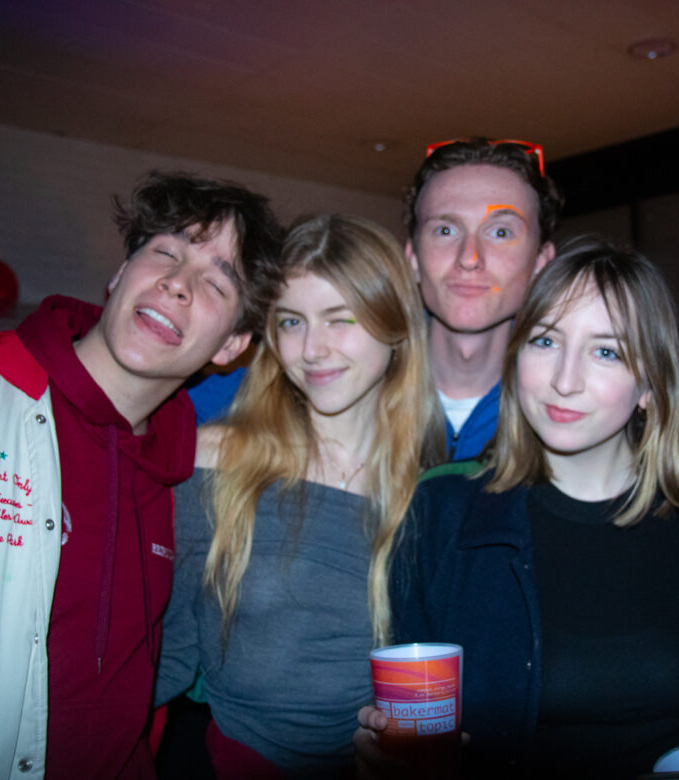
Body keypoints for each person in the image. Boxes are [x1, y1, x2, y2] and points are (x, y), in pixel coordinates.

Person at [0, 170, 282, 778]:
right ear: (119, 275)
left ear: (230, 347)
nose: (178, 283)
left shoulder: (189, 483)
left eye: (217, 282)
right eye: (166, 252)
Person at [356, 237, 679, 778]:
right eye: (545, 341)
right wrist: (391, 755)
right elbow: (413, 721)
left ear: (650, 385)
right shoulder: (440, 517)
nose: (565, 381)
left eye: (606, 351)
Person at [154, 214, 445, 777]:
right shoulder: (219, 459)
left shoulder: (431, 490)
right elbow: (165, 654)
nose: (312, 349)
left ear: (394, 326)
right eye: (291, 321)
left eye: (341, 319)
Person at [189, 138, 563, 461]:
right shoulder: (332, 373)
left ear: (541, 263)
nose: (469, 257)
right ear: (412, 258)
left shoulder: (572, 399)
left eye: (501, 232)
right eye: (445, 230)